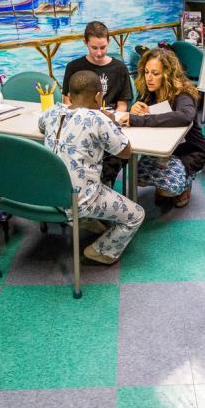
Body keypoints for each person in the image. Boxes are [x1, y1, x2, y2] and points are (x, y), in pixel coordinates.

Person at [39, 70, 144, 264]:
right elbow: (126, 152)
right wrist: (111, 122)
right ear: (98, 96)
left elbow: (41, 125)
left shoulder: (53, 111)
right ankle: (100, 251)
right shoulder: (100, 120)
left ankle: (84, 220)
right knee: (136, 215)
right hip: (79, 200)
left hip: (49, 193)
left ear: (69, 95)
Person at [118, 48, 205, 208]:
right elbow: (141, 118)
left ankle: (185, 185)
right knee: (136, 178)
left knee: (169, 189)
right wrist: (134, 110)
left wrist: (140, 120)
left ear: (167, 75)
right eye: (146, 72)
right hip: (159, 150)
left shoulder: (184, 94)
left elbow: (185, 116)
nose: (149, 78)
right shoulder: (147, 92)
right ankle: (166, 182)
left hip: (186, 153)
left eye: (155, 73)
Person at [62, 20, 133, 185]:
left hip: (109, 124)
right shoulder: (73, 67)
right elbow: (67, 99)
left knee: (113, 156)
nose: (99, 53)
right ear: (85, 42)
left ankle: (102, 184)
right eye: (94, 48)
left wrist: (111, 120)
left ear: (108, 42)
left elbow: (123, 104)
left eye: (103, 47)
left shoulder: (119, 68)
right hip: (81, 127)